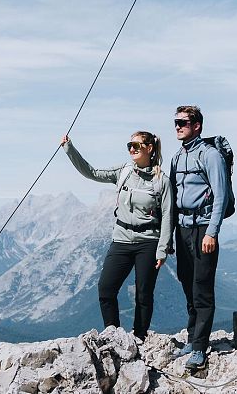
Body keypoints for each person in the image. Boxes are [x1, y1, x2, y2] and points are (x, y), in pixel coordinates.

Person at [61, 131, 174, 341]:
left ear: (149, 148)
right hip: (121, 238)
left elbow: (168, 215)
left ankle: (139, 337)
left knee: (143, 293)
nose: (131, 149)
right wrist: (69, 149)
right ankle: (114, 336)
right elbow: (91, 172)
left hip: (148, 242)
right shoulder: (123, 172)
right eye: (129, 145)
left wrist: (163, 249)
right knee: (105, 288)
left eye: (136, 145)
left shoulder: (162, 181)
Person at [169, 104, 227, 371]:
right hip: (182, 228)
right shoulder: (177, 158)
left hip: (203, 227)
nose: (178, 126)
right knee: (186, 282)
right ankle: (192, 338)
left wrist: (212, 232)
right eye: (176, 122)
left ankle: (200, 348)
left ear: (197, 126)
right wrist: (169, 236)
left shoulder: (210, 155)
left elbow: (221, 195)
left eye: (182, 122)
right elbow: (170, 200)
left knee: (202, 286)